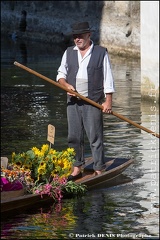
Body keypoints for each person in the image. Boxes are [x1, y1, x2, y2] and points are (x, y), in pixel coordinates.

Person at [56, 21, 115, 181]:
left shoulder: (100, 52)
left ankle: (99, 168)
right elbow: (60, 75)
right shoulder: (68, 52)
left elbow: (108, 79)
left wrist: (108, 101)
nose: (77, 39)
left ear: (89, 35)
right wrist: (66, 85)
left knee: (95, 136)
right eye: (75, 36)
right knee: (73, 136)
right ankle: (77, 167)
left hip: (93, 101)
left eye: (80, 36)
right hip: (72, 101)